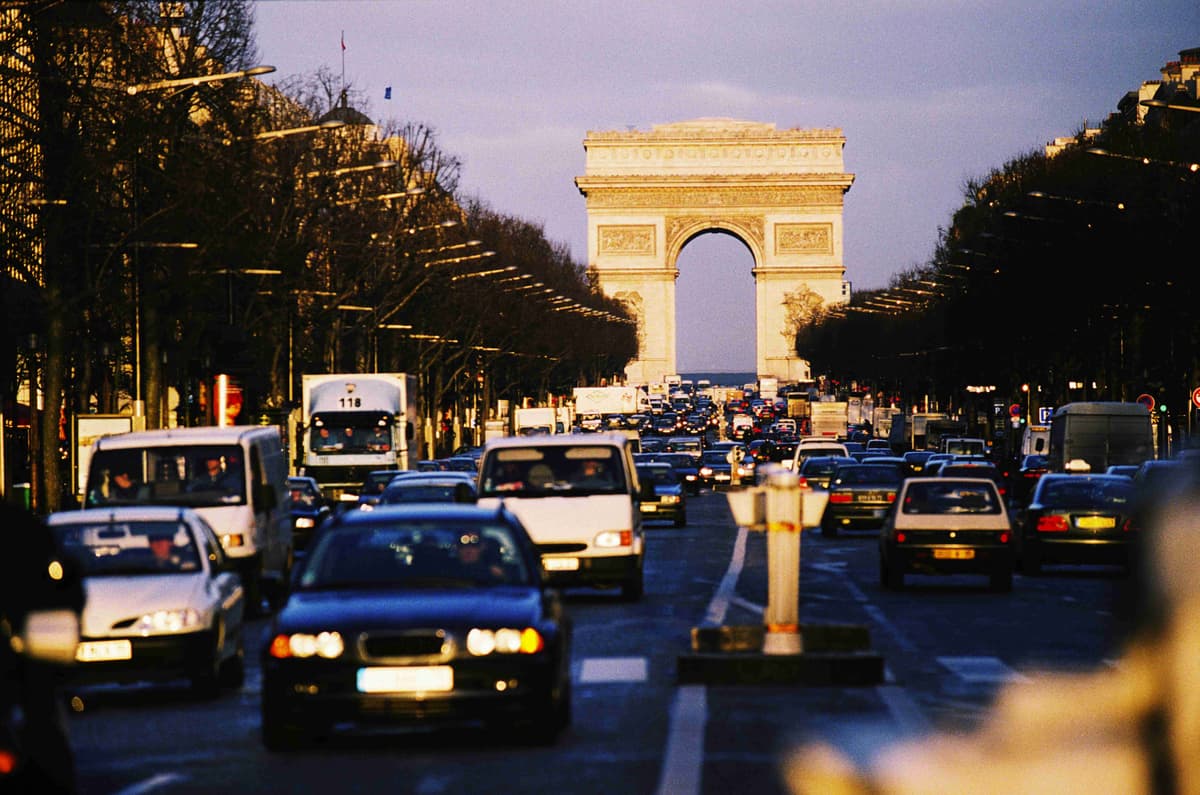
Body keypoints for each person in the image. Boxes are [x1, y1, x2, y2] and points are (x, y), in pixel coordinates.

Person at [0, 501, 85, 793]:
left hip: (16, 665)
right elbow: (67, 592)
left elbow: (64, 591)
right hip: (20, 664)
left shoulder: (16, 525)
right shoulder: (16, 523)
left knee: (41, 727)